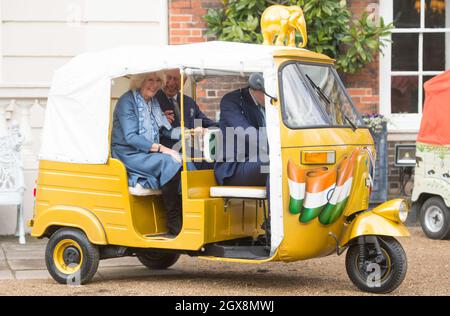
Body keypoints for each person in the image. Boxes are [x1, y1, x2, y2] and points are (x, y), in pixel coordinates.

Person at [111, 71, 182, 237]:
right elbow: (131, 137)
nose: (154, 84)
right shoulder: (127, 102)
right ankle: (173, 222)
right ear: (140, 81)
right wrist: (163, 149)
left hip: (146, 153)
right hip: (128, 153)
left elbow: (164, 131)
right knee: (168, 162)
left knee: (187, 161)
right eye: (150, 80)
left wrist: (187, 133)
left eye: (158, 80)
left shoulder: (152, 102)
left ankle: (184, 216)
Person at [156, 69, 218, 169]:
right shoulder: (154, 99)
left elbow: (204, 121)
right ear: (163, 78)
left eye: (176, 79)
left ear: (183, 82)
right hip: (166, 152)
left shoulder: (189, 102)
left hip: (190, 151)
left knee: (215, 163)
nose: (171, 83)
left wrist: (226, 124)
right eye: (169, 78)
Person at [214, 76, 269, 187]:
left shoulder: (269, 105)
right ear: (257, 87)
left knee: (289, 163)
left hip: (257, 161)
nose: (274, 99)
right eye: (270, 94)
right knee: (275, 162)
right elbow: (245, 131)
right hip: (234, 168)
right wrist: (278, 149)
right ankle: (276, 205)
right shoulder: (231, 101)